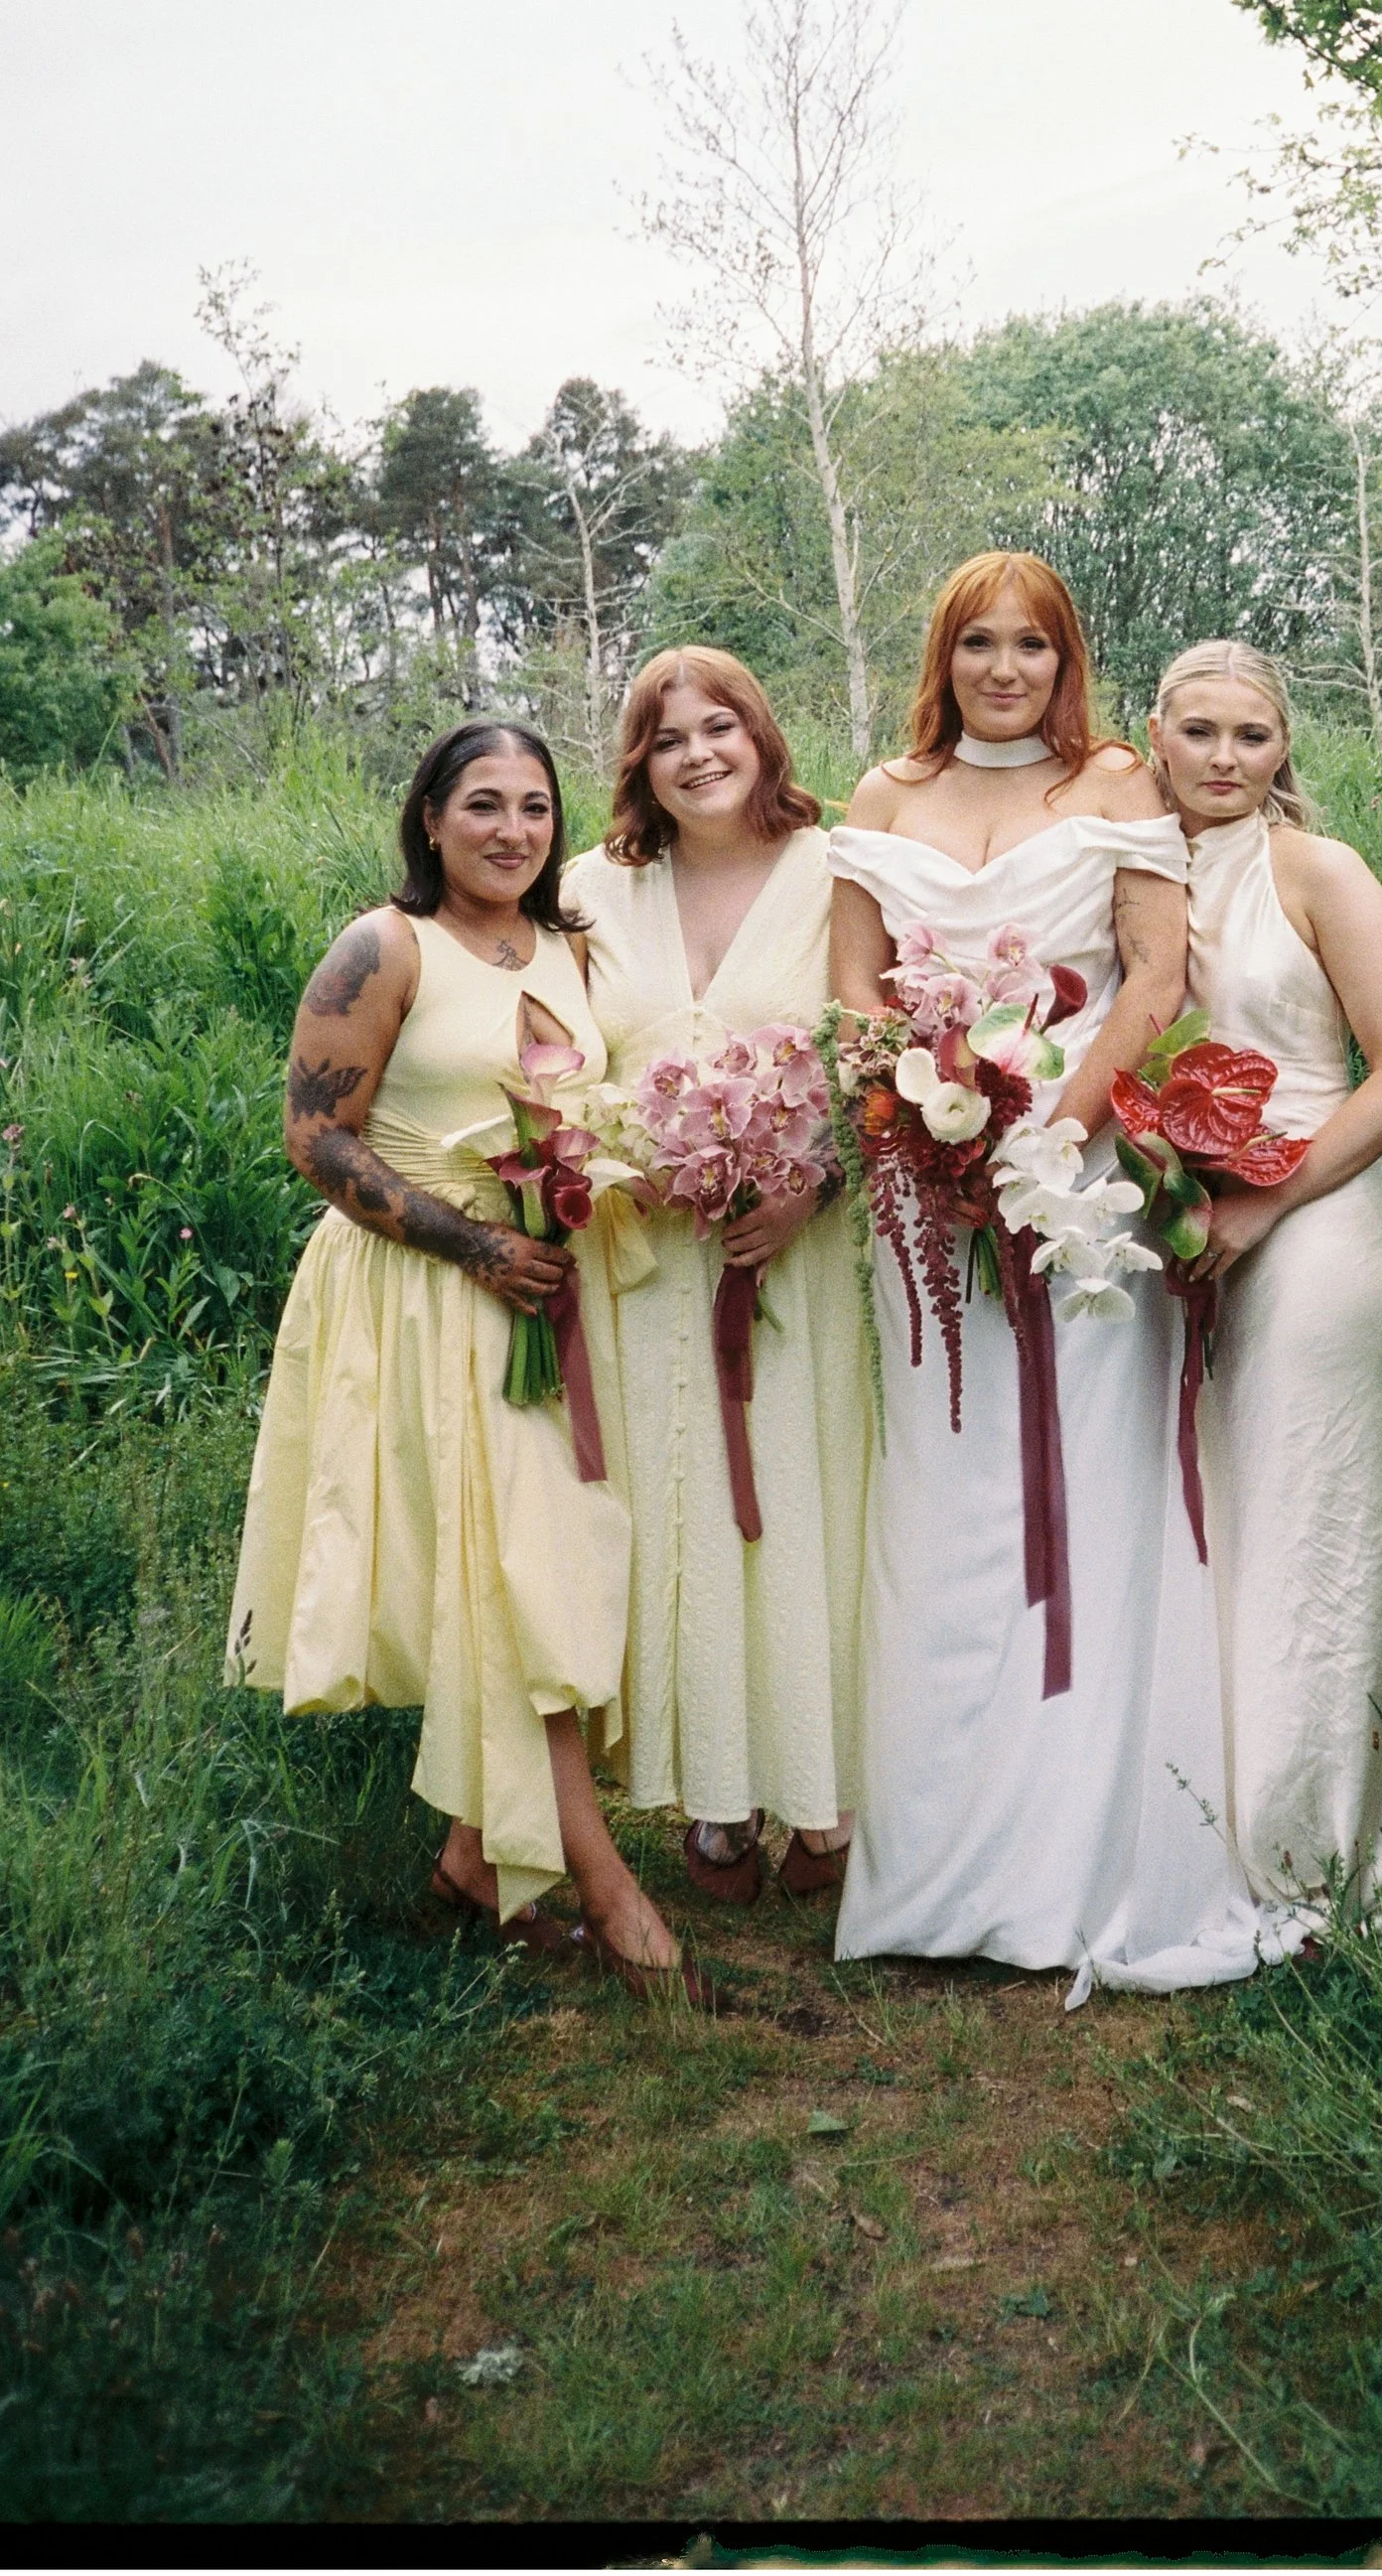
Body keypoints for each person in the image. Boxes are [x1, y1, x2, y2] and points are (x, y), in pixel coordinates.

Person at [827, 553, 1293, 1997]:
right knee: (945, 1499)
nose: (1007, 667)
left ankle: (1078, 1862)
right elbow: (852, 991)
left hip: (1078, 1190)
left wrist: (1050, 1137)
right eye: (980, 641)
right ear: (944, 651)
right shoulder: (881, 797)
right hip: (929, 1191)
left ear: (1067, 654)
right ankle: (936, 1866)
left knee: (1089, 1499)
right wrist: (917, 1119)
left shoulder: (1114, 788)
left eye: (1033, 643)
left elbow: (1153, 979)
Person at [224, 720, 704, 2004]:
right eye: (482, 804)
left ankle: (471, 1865)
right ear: (429, 817)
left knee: (542, 1561)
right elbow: (314, 1138)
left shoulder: (569, 946)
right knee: (515, 1572)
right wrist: (470, 1243)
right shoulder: (386, 946)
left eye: (535, 806)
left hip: (549, 1288)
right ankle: (603, 1887)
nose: (511, 828)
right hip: (424, 1290)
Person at [1145, 642, 1382, 1924]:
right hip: (1176, 1224)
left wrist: (1265, 1202)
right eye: (1201, 730)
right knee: (1212, 1519)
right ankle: (1206, 1816)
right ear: (1152, 732)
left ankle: (1325, 1847)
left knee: (1316, 1517)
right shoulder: (1130, 869)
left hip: (1318, 1221)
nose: (1226, 757)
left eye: (1253, 734)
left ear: (1285, 747)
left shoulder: (1316, 869)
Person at [561, 649, 868, 1911]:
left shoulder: (840, 865)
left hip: (800, 1244)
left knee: (799, 1498)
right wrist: (612, 1152)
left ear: (762, 732)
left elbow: (889, 1050)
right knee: (676, 1503)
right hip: (646, 1256)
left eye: (720, 723)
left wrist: (816, 1177)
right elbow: (552, 1057)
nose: (698, 753)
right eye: (668, 735)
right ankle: (715, 1796)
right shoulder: (591, 886)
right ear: (640, 761)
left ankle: (826, 1789)